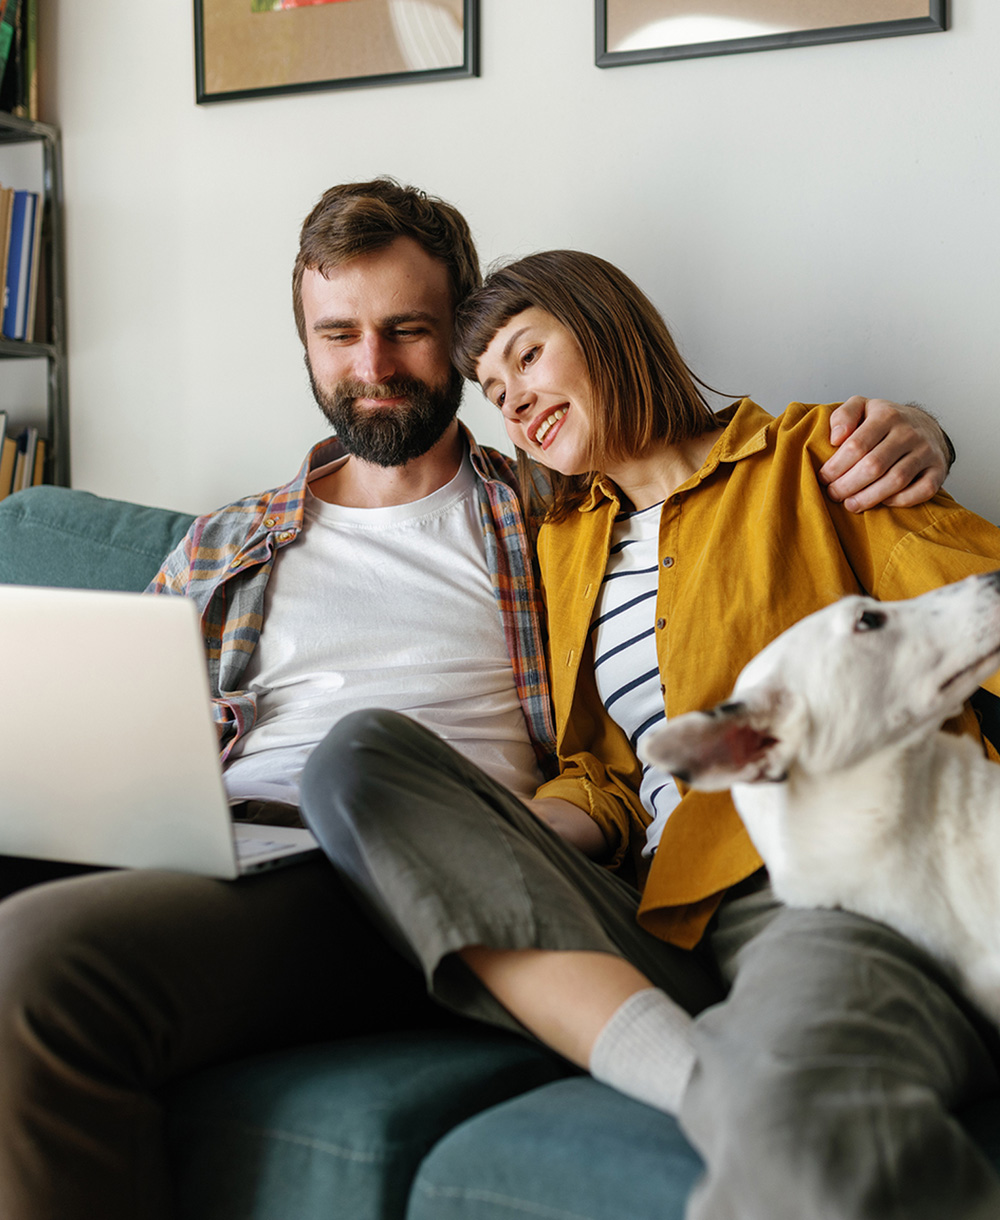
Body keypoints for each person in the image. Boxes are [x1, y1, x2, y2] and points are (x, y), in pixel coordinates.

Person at [0, 180, 954, 1218]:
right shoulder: (225, 540)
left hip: (399, 863)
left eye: (408, 329)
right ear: (308, 345)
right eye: (339, 334)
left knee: (57, 949)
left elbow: (696, 584)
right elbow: (109, 726)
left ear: (457, 334)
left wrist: (910, 436)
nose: (372, 366)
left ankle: (735, 1094)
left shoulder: (554, 509)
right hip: (221, 844)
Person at [299, 245, 1000, 1220]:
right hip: (646, 906)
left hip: (809, 893)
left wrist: (924, 438)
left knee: (797, 1126)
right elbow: (606, 770)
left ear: (606, 325)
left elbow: (976, 613)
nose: (515, 403)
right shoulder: (563, 540)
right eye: (495, 391)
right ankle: (692, 1069)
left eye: (528, 357)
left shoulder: (809, 455)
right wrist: (513, 836)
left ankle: (735, 1081)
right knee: (356, 758)